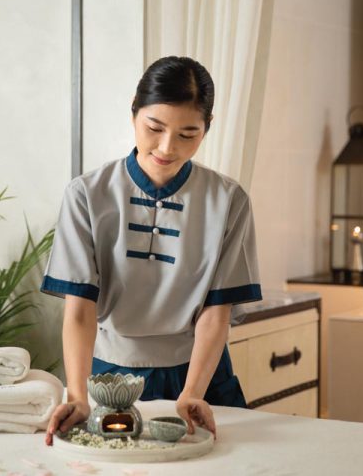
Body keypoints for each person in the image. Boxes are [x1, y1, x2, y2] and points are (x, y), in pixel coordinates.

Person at [42, 56, 261, 445]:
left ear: (207, 127)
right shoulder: (87, 195)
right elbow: (79, 309)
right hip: (109, 378)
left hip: (199, 376)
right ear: (134, 111)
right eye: (154, 128)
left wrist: (192, 391)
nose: (167, 147)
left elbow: (216, 313)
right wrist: (77, 395)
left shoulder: (228, 200)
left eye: (188, 134)